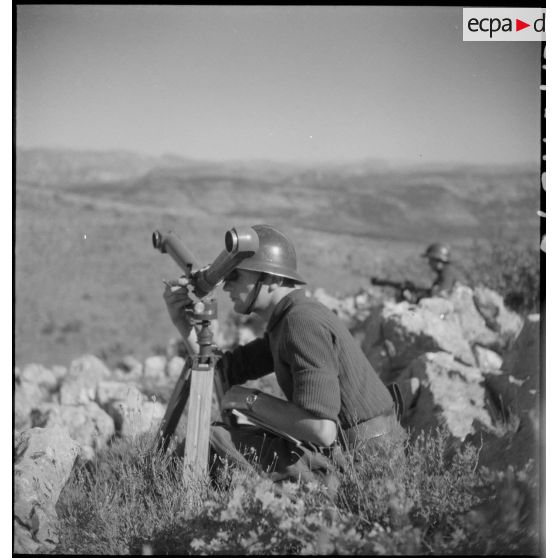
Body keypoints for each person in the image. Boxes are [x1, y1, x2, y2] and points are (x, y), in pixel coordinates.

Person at [164, 224, 406, 489]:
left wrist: (249, 399)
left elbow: (322, 430)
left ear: (272, 280)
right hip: (350, 456)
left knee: (212, 439)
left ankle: (175, 518)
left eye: (236, 276)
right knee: (226, 435)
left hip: (365, 470)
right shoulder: (286, 322)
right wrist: (183, 323)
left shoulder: (301, 322)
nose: (227, 286)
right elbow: (222, 371)